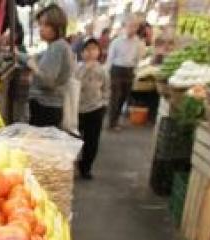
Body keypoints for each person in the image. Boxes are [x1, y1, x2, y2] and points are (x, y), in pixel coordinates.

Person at [26, 4, 73, 128]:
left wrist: (34, 69)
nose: (41, 28)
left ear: (57, 27)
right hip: (48, 106)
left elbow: (48, 81)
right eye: (40, 24)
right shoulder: (54, 46)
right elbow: (31, 58)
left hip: (46, 107)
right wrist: (16, 53)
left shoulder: (57, 47)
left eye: (45, 25)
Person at [76, 38, 109, 179]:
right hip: (77, 110)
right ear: (82, 53)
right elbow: (74, 84)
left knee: (92, 141)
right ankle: (73, 164)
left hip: (95, 109)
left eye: (94, 49)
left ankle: (86, 168)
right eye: (87, 49)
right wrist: (85, 69)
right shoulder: (77, 68)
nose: (90, 52)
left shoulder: (103, 71)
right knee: (75, 139)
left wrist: (104, 104)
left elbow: (107, 89)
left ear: (98, 52)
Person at [106, 17, 145, 130]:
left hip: (129, 71)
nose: (132, 29)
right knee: (116, 96)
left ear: (137, 28)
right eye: (130, 25)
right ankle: (112, 122)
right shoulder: (116, 41)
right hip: (116, 70)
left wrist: (136, 71)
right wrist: (107, 73)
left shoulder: (138, 43)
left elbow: (138, 58)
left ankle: (116, 120)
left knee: (124, 97)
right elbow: (110, 58)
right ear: (125, 26)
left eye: (134, 26)